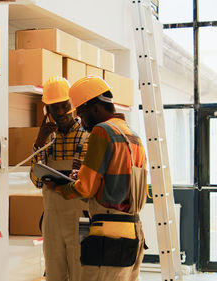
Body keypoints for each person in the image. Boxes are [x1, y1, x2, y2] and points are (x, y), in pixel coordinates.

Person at [44, 76, 148, 281]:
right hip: (134, 234)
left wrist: (58, 186)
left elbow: (85, 188)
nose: (81, 121)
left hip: (108, 235)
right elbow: (118, 182)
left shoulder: (102, 131)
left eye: (81, 114)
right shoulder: (132, 135)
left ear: (93, 108)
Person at [30, 76, 90, 281]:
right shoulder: (47, 140)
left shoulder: (86, 136)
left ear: (73, 105)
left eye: (65, 106)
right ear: (48, 111)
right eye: (55, 108)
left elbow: (87, 181)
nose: (61, 113)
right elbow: (37, 181)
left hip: (79, 217)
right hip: (52, 218)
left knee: (80, 272)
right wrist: (39, 142)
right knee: (54, 273)